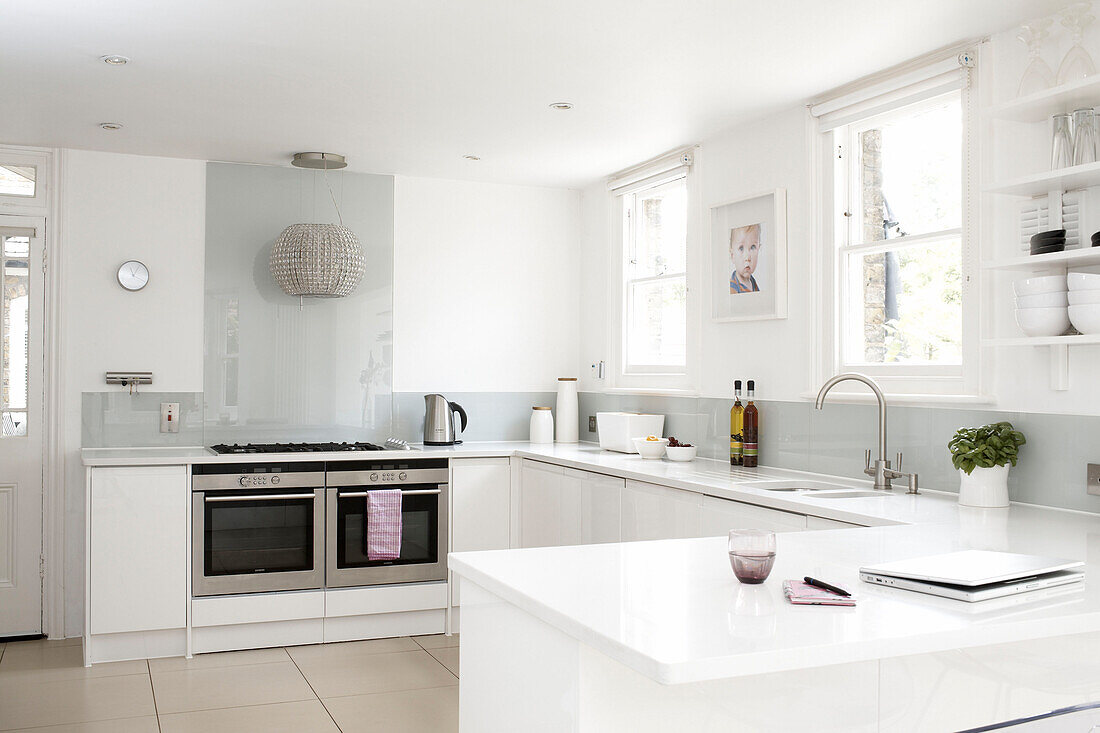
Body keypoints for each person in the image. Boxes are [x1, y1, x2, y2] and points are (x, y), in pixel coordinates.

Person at [730, 223, 762, 294]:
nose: (747, 257)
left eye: (753, 247)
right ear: (732, 256)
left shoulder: (753, 283)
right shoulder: (732, 288)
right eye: (741, 248)